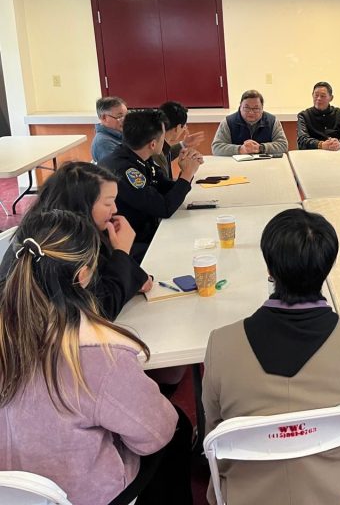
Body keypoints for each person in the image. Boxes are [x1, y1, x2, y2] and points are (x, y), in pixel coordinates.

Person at [0, 209, 193, 505]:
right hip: (85, 496)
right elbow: (156, 432)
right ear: (83, 275)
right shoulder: (97, 356)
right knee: (177, 427)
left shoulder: (9, 335)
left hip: (11, 495)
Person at [202, 208, 340, 504]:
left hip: (248, 493)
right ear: (329, 266)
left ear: (270, 269)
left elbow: (214, 428)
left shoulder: (221, 344)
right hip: (334, 490)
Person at [0, 162, 150, 320]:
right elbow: (101, 310)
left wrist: (129, 275)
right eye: (108, 202)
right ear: (82, 206)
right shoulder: (63, 250)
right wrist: (122, 252)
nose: (114, 210)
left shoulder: (52, 228)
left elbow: (106, 280)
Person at [99, 109, 203, 260]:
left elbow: (165, 189)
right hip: (129, 245)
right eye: (163, 136)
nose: (166, 141)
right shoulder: (125, 170)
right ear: (153, 144)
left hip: (145, 232)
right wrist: (186, 175)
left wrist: (186, 170)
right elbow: (164, 208)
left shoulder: (139, 156)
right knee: (188, 250)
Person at [211, 89, 289, 155]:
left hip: (266, 164)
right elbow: (216, 147)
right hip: (236, 165)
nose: (251, 112)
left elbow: (283, 145)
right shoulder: (228, 122)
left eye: (256, 108)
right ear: (240, 107)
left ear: (262, 109)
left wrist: (261, 148)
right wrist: (239, 149)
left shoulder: (272, 121)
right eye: (247, 108)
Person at [296, 81, 340, 150]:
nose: (318, 98)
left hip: (337, 153)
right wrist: (321, 145)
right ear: (312, 95)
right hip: (314, 155)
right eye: (316, 95)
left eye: (322, 96)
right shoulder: (304, 116)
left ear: (331, 98)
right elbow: (302, 139)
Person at [153, 101, 205, 179]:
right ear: (178, 127)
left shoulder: (157, 144)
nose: (184, 129)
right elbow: (167, 190)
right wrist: (188, 172)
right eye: (183, 127)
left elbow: (166, 154)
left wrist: (184, 144)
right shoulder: (157, 153)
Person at [91, 96, 128, 163]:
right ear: (104, 118)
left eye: (126, 116)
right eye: (120, 116)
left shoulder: (119, 134)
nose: (125, 120)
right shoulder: (104, 143)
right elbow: (117, 169)